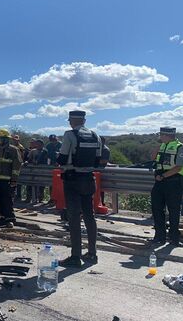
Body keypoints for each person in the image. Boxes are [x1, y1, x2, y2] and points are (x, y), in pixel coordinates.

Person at [56, 111, 102, 267]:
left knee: (74, 217)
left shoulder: (69, 135)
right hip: (89, 179)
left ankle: (75, 256)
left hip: (72, 179)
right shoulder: (95, 135)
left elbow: (61, 158)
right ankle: (92, 254)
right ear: (84, 120)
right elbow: (97, 160)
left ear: (71, 121)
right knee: (90, 216)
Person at [150, 127, 183, 246]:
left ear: (166, 135)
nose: (159, 137)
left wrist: (163, 176)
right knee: (157, 208)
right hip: (160, 181)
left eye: (161, 135)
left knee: (174, 210)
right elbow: (152, 158)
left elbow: (178, 167)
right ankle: (159, 236)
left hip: (173, 181)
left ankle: (174, 238)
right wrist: (157, 148)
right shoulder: (162, 146)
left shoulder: (180, 147)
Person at [0, 128, 22, 227]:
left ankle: (10, 219)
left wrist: (14, 179)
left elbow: (17, 165)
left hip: (7, 181)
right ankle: (3, 218)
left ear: (5, 139)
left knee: (6, 200)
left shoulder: (13, 150)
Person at [45, 134, 62, 205]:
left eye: (54, 140)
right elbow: (47, 155)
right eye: (52, 140)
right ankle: (52, 198)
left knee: (59, 183)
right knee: (51, 182)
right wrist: (48, 163)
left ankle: (59, 199)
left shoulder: (61, 144)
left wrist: (59, 162)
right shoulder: (48, 146)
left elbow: (64, 154)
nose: (53, 141)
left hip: (60, 166)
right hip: (51, 166)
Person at [12, 135, 27, 202]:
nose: (15, 141)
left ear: (18, 140)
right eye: (14, 140)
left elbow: (22, 156)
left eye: (16, 140)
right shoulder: (12, 146)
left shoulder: (20, 147)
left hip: (18, 165)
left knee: (19, 182)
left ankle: (18, 196)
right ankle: (15, 196)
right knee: (15, 182)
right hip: (13, 165)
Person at [99, 137, 111, 205]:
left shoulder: (105, 150)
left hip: (102, 172)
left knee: (101, 189)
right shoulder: (98, 148)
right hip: (96, 171)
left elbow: (104, 161)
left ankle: (102, 203)